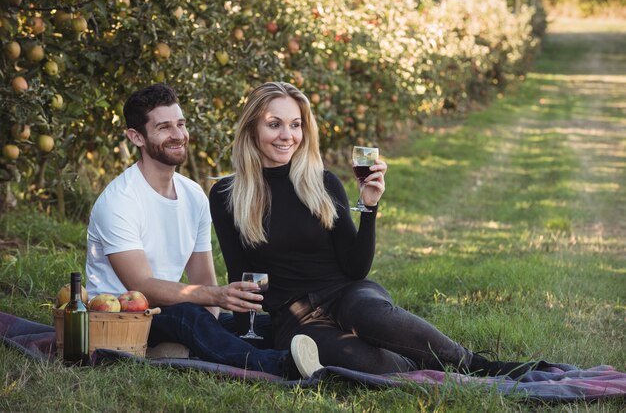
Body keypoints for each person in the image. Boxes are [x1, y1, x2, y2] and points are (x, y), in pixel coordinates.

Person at [209, 81, 540, 377]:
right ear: (252, 128)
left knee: (372, 317)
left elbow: (356, 268)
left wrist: (368, 206)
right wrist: (244, 340)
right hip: (295, 319)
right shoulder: (227, 195)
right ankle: (419, 364)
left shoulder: (322, 183)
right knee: (367, 363)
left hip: (347, 293)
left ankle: (477, 365)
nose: (287, 135)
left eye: (296, 125)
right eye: (274, 124)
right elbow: (242, 278)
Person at [85, 83, 322, 379]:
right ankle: (278, 366)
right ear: (137, 137)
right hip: (122, 318)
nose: (178, 135)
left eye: (181, 124)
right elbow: (141, 285)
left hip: (171, 313)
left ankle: (324, 351)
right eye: (164, 127)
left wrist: (215, 318)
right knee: (190, 316)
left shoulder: (193, 194)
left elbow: (202, 280)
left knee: (265, 324)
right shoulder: (119, 201)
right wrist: (214, 299)